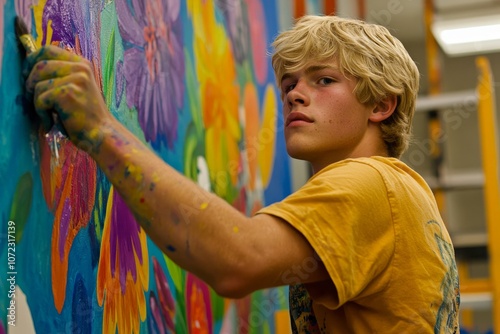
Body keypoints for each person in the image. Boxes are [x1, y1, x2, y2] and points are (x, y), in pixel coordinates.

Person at [24, 14, 460, 333]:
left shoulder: (368, 183)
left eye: (323, 80)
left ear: (381, 105)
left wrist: (102, 129)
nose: (295, 95)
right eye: (289, 84)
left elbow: (238, 260)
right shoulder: (395, 190)